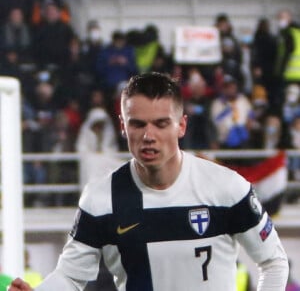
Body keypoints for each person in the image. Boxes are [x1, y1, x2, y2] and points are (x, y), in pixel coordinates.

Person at [9, 72, 289, 291]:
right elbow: (70, 277)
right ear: (123, 126)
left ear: (181, 125)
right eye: (138, 124)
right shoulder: (101, 199)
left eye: (161, 123)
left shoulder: (227, 188)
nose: (148, 135)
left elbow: (273, 261)